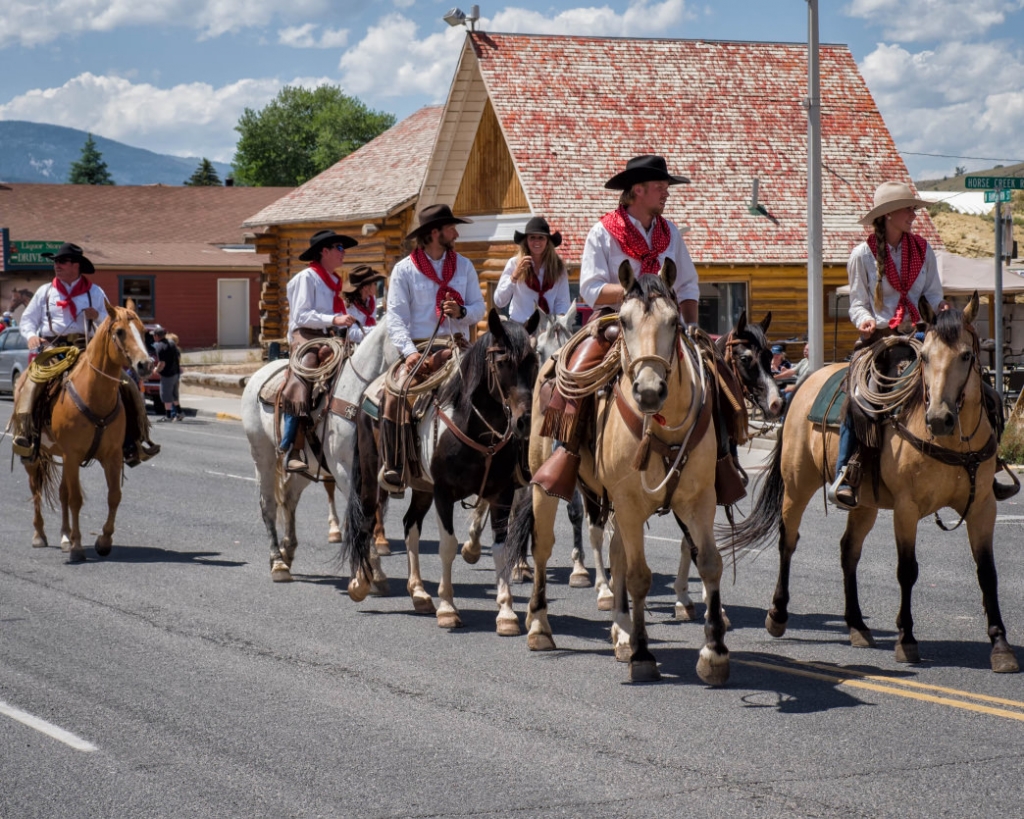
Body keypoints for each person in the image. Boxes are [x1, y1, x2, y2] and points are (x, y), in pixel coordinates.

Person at [532, 155, 701, 499]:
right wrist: (636, 288)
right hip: (614, 321)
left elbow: (688, 286)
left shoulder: (670, 233)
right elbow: (591, 290)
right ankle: (565, 453)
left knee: (714, 369)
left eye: (666, 187)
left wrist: (693, 324)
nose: (665, 193)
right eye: (659, 187)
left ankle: (721, 457)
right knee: (573, 373)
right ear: (637, 191)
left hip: (665, 325)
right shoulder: (604, 232)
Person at [829, 181, 948, 508]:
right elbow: (857, 302)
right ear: (888, 215)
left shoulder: (923, 250)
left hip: (921, 334)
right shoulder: (862, 255)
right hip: (879, 338)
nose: (914, 214)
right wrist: (864, 320)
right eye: (908, 209)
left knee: (962, 377)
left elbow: (934, 294)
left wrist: (941, 308)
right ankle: (847, 472)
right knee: (859, 397)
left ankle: (986, 461)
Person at [12, 242, 158, 466]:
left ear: (76, 266)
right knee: (32, 382)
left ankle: (135, 441)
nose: (57, 266)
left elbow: (112, 323)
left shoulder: (95, 292)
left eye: (62, 262)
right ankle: (27, 436)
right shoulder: (45, 291)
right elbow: (29, 320)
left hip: (86, 348)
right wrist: (31, 336)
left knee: (127, 384)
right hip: (53, 348)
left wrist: (96, 316)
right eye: (56, 262)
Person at [380, 203, 486, 491]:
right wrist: (410, 353)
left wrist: (462, 312)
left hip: (458, 346)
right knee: (396, 395)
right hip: (420, 348)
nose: (457, 234)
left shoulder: (463, 266)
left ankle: (502, 459)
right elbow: (396, 320)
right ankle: (396, 464)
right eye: (452, 228)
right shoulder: (404, 270)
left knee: (497, 387)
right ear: (435, 233)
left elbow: (479, 307)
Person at [279, 229, 360, 473]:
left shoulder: (333, 281)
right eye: (339, 248)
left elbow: (340, 320)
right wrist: (335, 320)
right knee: (305, 373)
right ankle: (292, 446)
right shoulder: (307, 277)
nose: (343, 253)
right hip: (305, 335)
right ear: (324, 251)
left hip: (328, 336)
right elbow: (301, 315)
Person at [493, 216, 571, 322]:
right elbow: (499, 301)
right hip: (519, 327)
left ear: (547, 241)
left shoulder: (558, 268)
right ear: (526, 241)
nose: (536, 242)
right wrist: (515, 276)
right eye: (532, 238)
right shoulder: (514, 263)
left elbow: (562, 302)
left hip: (547, 328)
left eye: (541, 238)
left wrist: (560, 322)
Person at [342, 265, 386, 344]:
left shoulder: (372, 301)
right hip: (354, 346)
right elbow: (352, 334)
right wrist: (378, 330)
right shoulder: (348, 307)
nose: (376, 286)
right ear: (365, 287)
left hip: (371, 342)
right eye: (375, 283)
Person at [152, 326, 183, 422]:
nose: (153, 337)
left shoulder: (160, 346)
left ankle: (168, 416)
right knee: (174, 395)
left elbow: (162, 363)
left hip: (167, 374)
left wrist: (156, 370)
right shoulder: (172, 343)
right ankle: (179, 413)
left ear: (157, 336)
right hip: (175, 373)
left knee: (166, 395)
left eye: (154, 335)